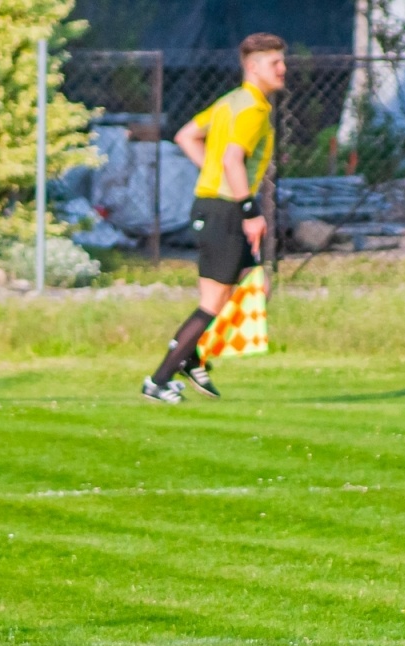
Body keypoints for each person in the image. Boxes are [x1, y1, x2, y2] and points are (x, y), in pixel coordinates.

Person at [143, 33, 287, 405]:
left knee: (257, 288)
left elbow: (186, 136)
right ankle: (160, 380)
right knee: (212, 301)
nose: (283, 69)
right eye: (276, 63)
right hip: (225, 211)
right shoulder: (252, 108)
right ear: (254, 67)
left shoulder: (231, 101)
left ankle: (193, 356)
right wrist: (249, 211)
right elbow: (232, 158)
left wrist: (219, 176)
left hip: (216, 205)